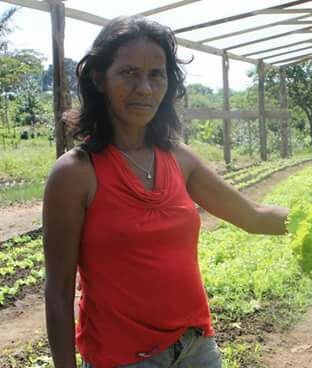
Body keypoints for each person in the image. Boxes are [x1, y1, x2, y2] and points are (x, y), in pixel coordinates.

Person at [42, 15, 288, 368]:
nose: (144, 87)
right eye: (128, 72)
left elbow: (254, 217)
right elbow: (59, 290)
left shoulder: (179, 158)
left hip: (196, 349)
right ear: (99, 79)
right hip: (122, 359)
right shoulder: (75, 173)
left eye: (156, 74)